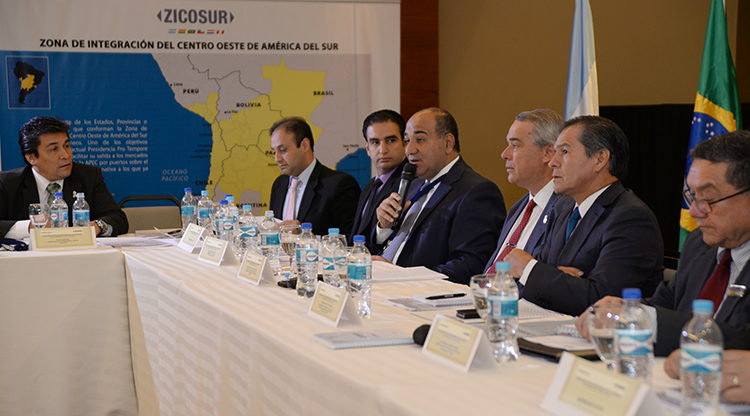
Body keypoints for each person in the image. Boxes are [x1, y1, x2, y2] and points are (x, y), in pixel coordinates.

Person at [576, 130, 750, 356]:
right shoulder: (699, 245)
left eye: (708, 198)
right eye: (692, 196)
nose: (694, 211)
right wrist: (619, 311)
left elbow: (743, 341)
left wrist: (647, 319)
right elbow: (661, 306)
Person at [506, 115, 664, 316]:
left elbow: (601, 300)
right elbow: (541, 279)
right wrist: (559, 279)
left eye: (564, 152)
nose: (553, 162)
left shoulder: (631, 219)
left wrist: (529, 269)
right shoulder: (563, 210)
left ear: (599, 159)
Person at [373, 107, 506, 285]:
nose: (409, 150)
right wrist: (384, 227)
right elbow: (389, 247)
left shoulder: (477, 191)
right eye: (407, 140)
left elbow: (469, 265)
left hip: (421, 293)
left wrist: (403, 276)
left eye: (420, 139)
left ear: (448, 143)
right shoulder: (413, 184)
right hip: (385, 284)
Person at [0, 116, 128, 238]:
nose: (65, 155)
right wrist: (29, 227)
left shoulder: (88, 176)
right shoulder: (7, 183)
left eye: (66, 146)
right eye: (54, 149)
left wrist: (98, 226)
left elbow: (117, 218)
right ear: (31, 158)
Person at [484, 109, 569, 273]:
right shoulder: (518, 207)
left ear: (548, 153)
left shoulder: (565, 210)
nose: (504, 154)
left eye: (515, 145)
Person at [268, 117, 361, 237]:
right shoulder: (279, 185)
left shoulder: (339, 185)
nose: (277, 159)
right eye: (274, 152)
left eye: (283, 150)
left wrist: (304, 235)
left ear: (305, 145)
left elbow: (351, 238)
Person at [350, 109, 409, 251]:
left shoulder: (410, 184)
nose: (383, 150)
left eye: (391, 140)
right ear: (367, 148)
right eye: (375, 142)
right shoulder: (370, 186)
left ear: (405, 143)